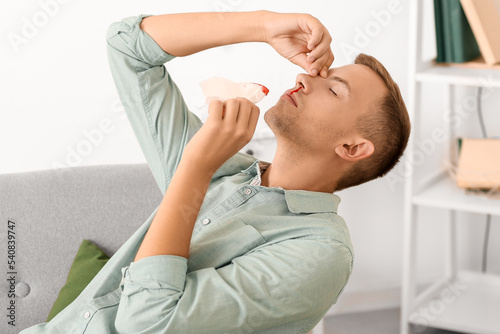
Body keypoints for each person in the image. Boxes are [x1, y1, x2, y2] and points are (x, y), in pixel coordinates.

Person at [20, 10, 410, 334]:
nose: (304, 77)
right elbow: (126, 47)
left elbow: (148, 323)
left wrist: (195, 165)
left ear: (353, 148)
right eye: (320, 75)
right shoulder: (230, 174)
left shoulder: (321, 254)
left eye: (333, 89)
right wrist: (262, 26)